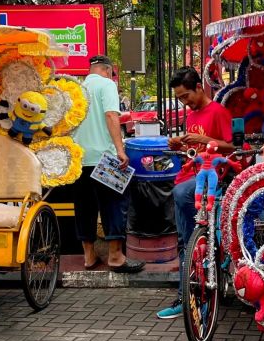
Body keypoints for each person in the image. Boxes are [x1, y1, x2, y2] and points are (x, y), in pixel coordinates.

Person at [157, 66, 233, 319]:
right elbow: (192, 148)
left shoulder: (218, 111)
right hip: (190, 174)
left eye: (185, 96)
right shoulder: (191, 115)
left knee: (181, 198)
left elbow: (230, 145)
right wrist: (179, 142)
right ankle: (186, 292)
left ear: (199, 87)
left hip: (211, 177)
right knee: (183, 239)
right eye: (179, 98)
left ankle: (195, 268)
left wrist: (202, 141)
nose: (184, 102)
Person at [67, 55, 144, 273]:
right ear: (108, 70)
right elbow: (111, 115)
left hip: (78, 159)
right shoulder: (107, 85)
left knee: (84, 208)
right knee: (114, 205)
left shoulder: (77, 89)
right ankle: (115, 257)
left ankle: (89, 257)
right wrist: (120, 150)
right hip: (104, 158)